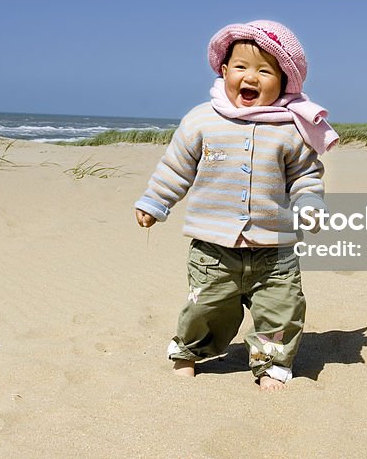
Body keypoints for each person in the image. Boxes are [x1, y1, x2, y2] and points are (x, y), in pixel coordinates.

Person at [133, 20, 338, 391]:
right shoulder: (201, 120)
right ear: (225, 72)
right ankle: (189, 351)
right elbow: (176, 167)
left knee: (282, 306)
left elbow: (306, 176)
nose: (251, 77)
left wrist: (309, 204)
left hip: (274, 248)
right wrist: (155, 202)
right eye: (241, 68)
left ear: (284, 82)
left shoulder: (292, 129)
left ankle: (272, 364)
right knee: (206, 307)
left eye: (264, 70)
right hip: (212, 247)